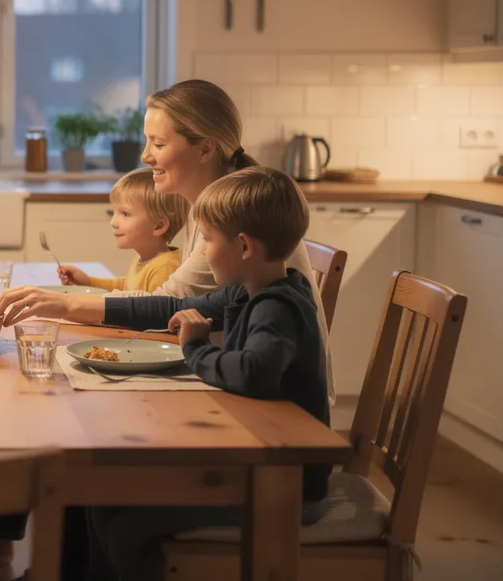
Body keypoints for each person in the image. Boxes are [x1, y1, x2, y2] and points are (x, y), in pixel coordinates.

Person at [0, 79, 333, 575]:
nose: (146, 155)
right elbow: (183, 303)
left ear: (206, 149)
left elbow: (170, 302)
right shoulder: (225, 217)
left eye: (158, 143)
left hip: (260, 426)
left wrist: (66, 304)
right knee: (75, 429)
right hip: (235, 402)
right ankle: (16, 546)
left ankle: (4, 541)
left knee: (79, 434)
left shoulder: (233, 217)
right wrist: (67, 303)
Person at [86, 166, 329, 580]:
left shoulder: (277, 307)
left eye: (208, 240)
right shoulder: (250, 288)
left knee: (127, 529)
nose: (203, 250)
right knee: (100, 497)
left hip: (281, 486)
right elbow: (176, 309)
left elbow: (253, 371)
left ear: (244, 247)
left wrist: (195, 348)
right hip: (251, 461)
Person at [57, 168, 187, 294]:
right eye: (114, 212)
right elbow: (125, 287)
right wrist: (89, 282)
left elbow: (153, 312)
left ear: (158, 226)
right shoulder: (143, 258)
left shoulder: (164, 269)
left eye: (125, 214)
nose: (113, 222)